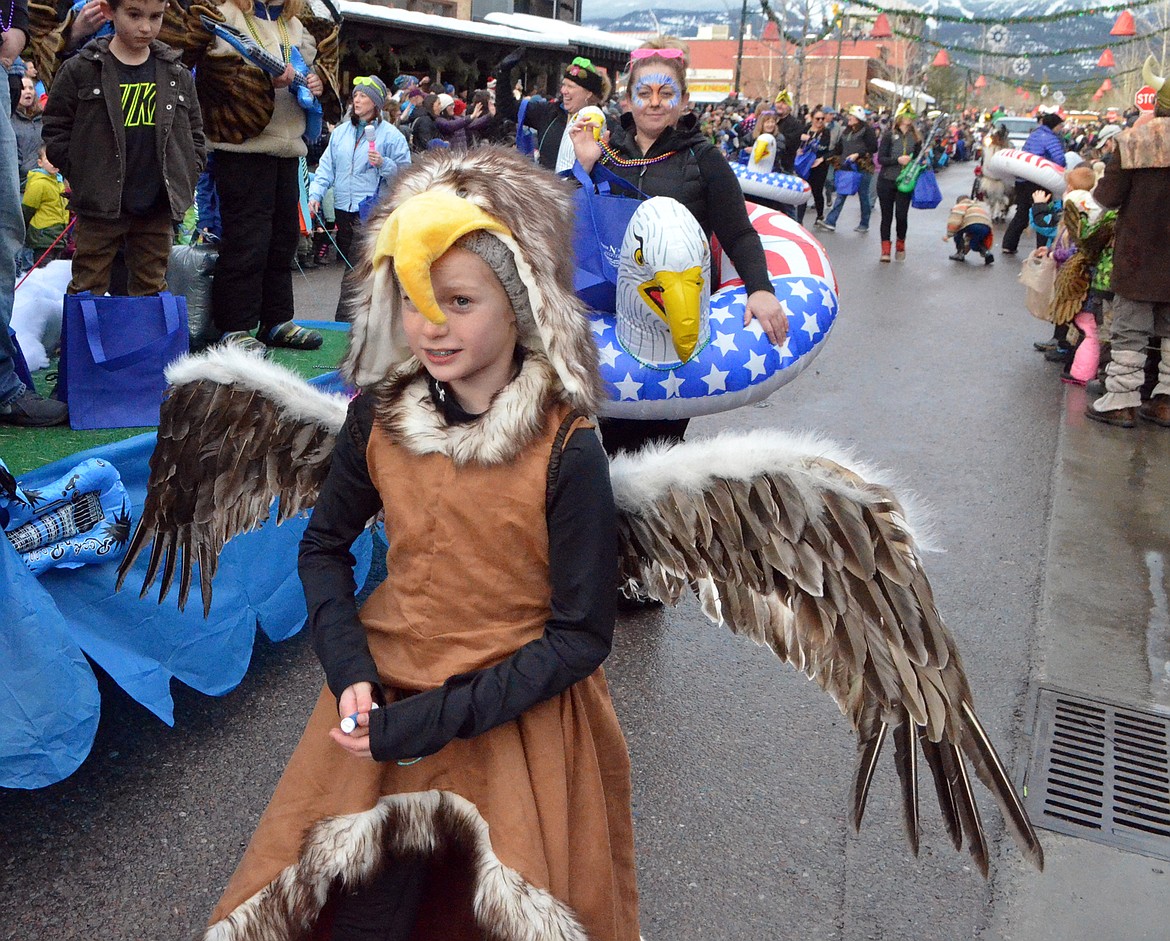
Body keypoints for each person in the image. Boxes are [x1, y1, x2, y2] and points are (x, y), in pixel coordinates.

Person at [203, 147, 639, 941]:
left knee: (491, 911)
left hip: (518, 718)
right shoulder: (380, 416)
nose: (431, 325)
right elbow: (324, 545)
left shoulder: (567, 447)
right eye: (413, 299)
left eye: (461, 300)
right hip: (385, 704)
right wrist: (350, 672)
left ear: (519, 304)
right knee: (361, 911)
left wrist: (434, 718)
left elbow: (581, 634)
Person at [569, 37, 787, 454]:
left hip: (677, 318)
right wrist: (587, 165)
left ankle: (654, 514)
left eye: (666, 93)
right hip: (615, 313)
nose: (655, 102)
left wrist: (760, 288)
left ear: (684, 101)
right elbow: (584, 224)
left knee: (661, 445)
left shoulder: (704, 159)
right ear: (628, 101)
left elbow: (738, 232)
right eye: (644, 93)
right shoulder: (608, 152)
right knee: (612, 438)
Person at [42, 0, 205, 297]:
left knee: (152, 286)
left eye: (156, 16)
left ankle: (147, 344)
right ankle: (85, 344)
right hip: (99, 202)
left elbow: (194, 132)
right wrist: (80, 172)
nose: (146, 27)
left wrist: (189, 172)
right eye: (134, 15)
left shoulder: (175, 72)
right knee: (87, 285)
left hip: (157, 202)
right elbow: (56, 127)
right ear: (108, 11)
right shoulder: (82, 68)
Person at [199, 0, 329, 354]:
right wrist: (260, 80)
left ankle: (277, 319)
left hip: (288, 149)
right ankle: (235, 326)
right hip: (242, 148)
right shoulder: (227, 17)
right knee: (246, 240)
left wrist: (316, 83)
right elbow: (213, 78)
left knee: (283, 238)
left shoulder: (295, 25)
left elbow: (312, 76)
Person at [1085, 59, 1170, 428]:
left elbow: (1107, 197)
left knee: (1130, 327)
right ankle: (1166, 401)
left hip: (1139, 254)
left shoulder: (1134, 141)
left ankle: (1120, 400)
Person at [308, 74, 410, 319]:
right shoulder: (341, 133)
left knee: (357, 265)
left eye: (363, 96)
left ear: (375, 102)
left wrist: (384, 164)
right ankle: (369, 315)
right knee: (359, 266)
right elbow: (326, 167)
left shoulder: (391, 136)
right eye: (355, 95)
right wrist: (316, 194)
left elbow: (406, 174)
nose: (357, 100)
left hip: (372, 211)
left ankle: (345, 317)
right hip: (344, 208)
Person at [495, 48, 612, 173]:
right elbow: (507, 108)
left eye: (570, 86)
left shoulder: (607, 126)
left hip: (585, 190)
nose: (563, 91)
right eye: (563, 85)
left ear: (588, 93)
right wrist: (503, 73)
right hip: (548, 189)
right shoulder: (549, 113)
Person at [1001, 112, 1066, 256]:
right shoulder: (1051, 138)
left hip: (1023, 180)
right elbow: (1059, 159)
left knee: (1021, 213)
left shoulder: (1034, 135)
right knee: (1043, 213)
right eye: (1060, 126)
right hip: (1040, 181)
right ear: (1054, 126)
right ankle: (1041, 249)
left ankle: (1008, 245)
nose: (1061, 129)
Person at [815, 105, 877, 234]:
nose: (849, 118)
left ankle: (864, 223)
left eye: (852, 116)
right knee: (841, 194)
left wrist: (858, 154)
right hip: (847, 167)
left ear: (858, 119)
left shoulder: (867, 131)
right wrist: (825, 157)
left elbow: (873, 147)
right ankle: (831, 221)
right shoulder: (846, 131)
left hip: (863, 168)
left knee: (863, 196)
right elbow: (839, 148)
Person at [875, 101, 921, 262]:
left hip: (906, 182)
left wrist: (916, 160)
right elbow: (881, 159)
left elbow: (919, 159)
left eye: (910, 115)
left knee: (901, 215)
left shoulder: (915, 137)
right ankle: (885, 250)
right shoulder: (888, 135)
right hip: (887, 180)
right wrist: (897, 160)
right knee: (886, 217)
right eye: (905, 115)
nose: (908, 118)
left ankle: (901, 242)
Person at [20, 142, 69, 271]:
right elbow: (28, 208)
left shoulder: (59, 182)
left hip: (59, 236)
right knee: (43, 271)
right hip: (43, 236)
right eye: (48, 158)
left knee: (56, 271)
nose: (53, 162)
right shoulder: (39, 183)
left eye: (55, 158)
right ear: (40, 162)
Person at [796, 106, 832, 226]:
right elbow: (797, 142)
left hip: (819, 165)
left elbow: (824, 147)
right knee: (804, 190)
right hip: (804, 163)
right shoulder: (806, 129)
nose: (820, 121)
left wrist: (810, 140)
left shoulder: (826, 133)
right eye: (817, 119)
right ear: (811, 119)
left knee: (817, 190)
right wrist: (799, 148)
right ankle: (799, 219)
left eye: (822, 118)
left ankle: (820, 215)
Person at [944, 195, 994, 264]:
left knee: (958, 231)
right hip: (986, 226)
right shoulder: (977, 206)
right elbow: (968, 237)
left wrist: (948, 235)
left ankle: (960, 253)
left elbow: (954, 222)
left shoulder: (960, 206)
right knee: (974, 244)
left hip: (972, 225)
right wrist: (966, 249)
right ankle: (986, 253)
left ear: (958, 202)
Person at [12, 74, 39, 179]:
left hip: (46, 178)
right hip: (21, 181)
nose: (28, 91)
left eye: (31, 88)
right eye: (23, 88)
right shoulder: (10, 119)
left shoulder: (43, 118)